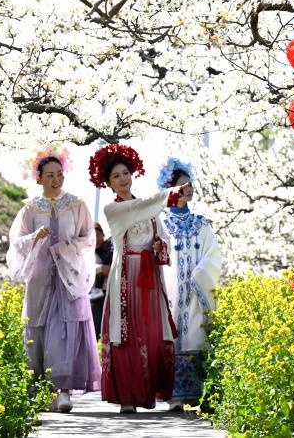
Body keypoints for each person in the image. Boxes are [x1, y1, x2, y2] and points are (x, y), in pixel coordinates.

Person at [90, 143, 189, 413]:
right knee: (129, 334)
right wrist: (169, 195)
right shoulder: (114, 210)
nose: (122, 179)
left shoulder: (148, 208)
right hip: (126, 275)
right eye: (116, 177)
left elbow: (163, 236)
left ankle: (166, 394)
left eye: (125, 173)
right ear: (109, 184)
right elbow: (141, 209)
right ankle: (128, 397)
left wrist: (160, 246)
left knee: (156, 333)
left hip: (149, 276)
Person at [6, 146, 100, 412]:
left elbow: (88, 240)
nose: (56, 180)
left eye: (59, 174)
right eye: (49, 175)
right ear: (38, 178)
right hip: (41, 277)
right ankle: (40, 388)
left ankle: (64, 389)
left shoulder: (77, 204)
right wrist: (36, 236)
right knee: (40, 327)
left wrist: (64, 247)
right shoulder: (29, 209)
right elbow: (16, 241)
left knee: (65, 328)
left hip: (68, 275)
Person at [157, 157, 221, 411]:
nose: (189, 188)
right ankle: (173, 395)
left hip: (195, 291)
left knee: (195, 333)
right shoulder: (162, 222)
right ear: (172, 190)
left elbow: (212, 253)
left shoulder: (202, 223)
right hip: (171, 290)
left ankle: (196, 393)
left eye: (190, 184)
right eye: (183, 185)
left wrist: (199, 275)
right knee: (170, 335)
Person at [90, 223, 113, 339]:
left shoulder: (109, 250)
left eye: (98, 235)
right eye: (92, 236)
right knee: (94, 327)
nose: (96, 239)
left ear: (103, 235)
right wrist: (100, 268)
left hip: (107, 294)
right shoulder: (87, 252)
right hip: (92, 296)